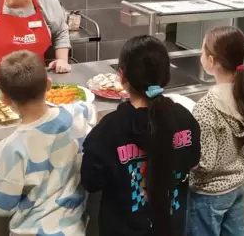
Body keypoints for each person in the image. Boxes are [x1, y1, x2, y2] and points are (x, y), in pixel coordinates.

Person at [81, 35, 201, 236]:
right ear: (166, 76)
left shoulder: (110, 129)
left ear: (122, 77)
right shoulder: (184, 118)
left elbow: (91, 181)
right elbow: (194, 163)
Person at [0, 50, 96, 235]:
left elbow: (0, 207)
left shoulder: (11, 148)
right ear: (49, 85)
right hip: (74, 230)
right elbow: (89, 110)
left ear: (4, 99)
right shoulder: (79, 113)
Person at [188, 26, 244, 236]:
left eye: (203, 51)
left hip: (209, 193)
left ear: (210, 61)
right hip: (236, 185)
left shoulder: (206, 107)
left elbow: (205, 163)